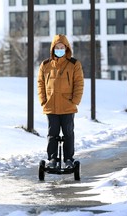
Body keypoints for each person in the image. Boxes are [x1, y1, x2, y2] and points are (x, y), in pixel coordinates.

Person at [37, 34, 84, 169]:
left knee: (68, 133)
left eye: (62, 47)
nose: (59, 49)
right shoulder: (45, 65)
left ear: (66, 48)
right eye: (57, 47)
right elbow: (40, 83)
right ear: (53, 49)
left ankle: (68, 159)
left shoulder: (74, 64)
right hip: (51, 106)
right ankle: (52, 159)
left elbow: (79, 83)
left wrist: (75, 100)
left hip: (68, 106)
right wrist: (43, 100)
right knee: (52, 134)